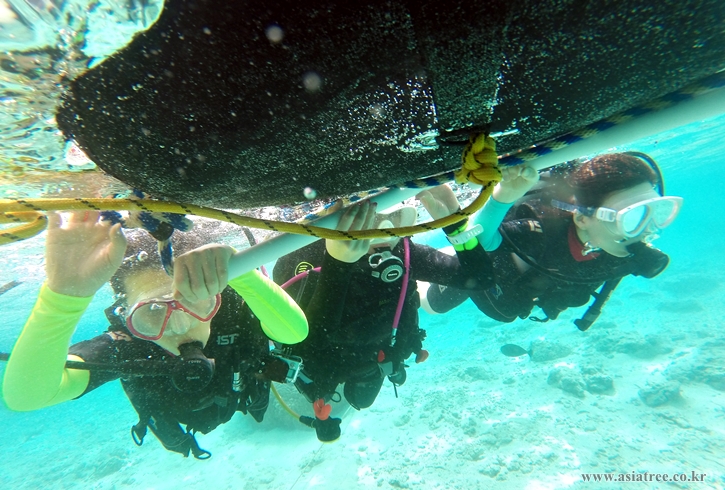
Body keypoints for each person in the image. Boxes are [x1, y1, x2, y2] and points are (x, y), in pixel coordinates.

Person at [2, 211, 308, 459]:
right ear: (127, 316)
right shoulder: (127, 344)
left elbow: (294, 333)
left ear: (215, 292)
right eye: (151, 313)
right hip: (181, 426)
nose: (178, 326)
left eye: (191, 299)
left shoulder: (230, 308)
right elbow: (27, 397)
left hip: (244, 400)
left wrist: (240, 272)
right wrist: (63, 297)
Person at [272, 197, 495, 437]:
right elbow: (480, 278)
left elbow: (480, 279)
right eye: (373, 223)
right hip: (334, 349)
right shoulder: (310, 255)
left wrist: (338, 261)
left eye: (396, 220)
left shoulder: (402, 252)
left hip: (332, 351)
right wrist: (454, 222)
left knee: (345, 391)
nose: (385, 235)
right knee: (355, 394)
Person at [420, 152, 681, 329]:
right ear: (581, 218)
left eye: (658, 212)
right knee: (432, 306)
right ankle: (432, 245)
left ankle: (451, 232)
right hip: (483, 272)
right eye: (633, 217)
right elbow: (482, 239)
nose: (647, 231)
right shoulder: (541, 233)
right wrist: (503, 197)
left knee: (506, 310)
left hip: (517, 297)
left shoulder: (621, 251)